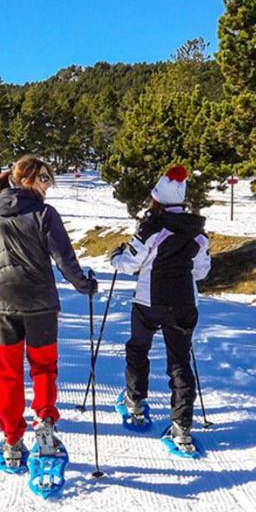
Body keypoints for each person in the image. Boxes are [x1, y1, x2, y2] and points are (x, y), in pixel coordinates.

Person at [0, 155, 97, 470]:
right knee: (44, 368)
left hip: (3, 305)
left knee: (8, 373)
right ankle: (45, 423)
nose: (48, 186)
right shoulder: (44, 214)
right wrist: (83, 285)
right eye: (44, 179)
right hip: (41, 305)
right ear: (27, 180)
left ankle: (12, 439)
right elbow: (64, 258)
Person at [109, 165, 211, 455]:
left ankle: (135, 401)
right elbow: (202, 272)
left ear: (157, 199)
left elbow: (131, 263)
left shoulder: (151, 227)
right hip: (184, 302)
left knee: (138, 348)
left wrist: (116, 257)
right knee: (179, 361)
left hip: (149, 301)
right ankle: (182, 427)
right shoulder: (198, 233)